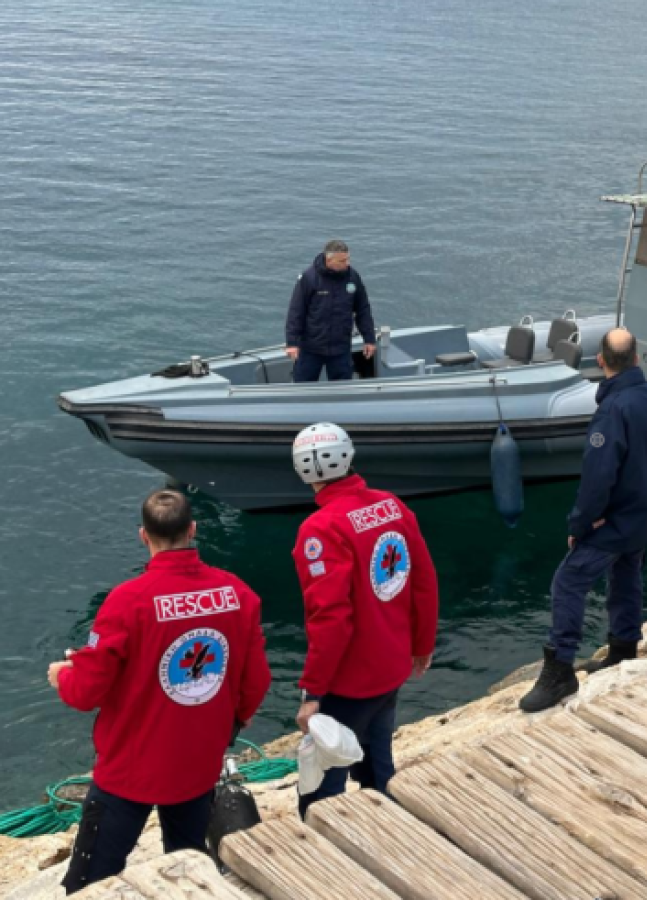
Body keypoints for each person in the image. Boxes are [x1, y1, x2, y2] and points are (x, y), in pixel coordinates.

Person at [49, 491, 271, 895]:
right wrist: (234, 721)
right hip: (197, 766)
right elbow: (256, 680)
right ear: (193, 530)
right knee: (188, 870)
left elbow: (84, 693)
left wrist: (63, 676)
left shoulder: (126, 602)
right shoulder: (237, 594)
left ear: (143, 536)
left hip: (129, 770)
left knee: (89, 881)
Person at [519, 328, 647, 713]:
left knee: (568, 581)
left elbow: (598, 477)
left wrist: (581, 525)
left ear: (601, 360)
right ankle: (623, 649)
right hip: (642, 515)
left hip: (614, 522)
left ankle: (559, 670)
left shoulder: (612, 410)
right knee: (626, 575)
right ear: (637, 357)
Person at [290, 422, 439, 818]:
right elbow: (423, 581)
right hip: (392, 664)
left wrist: (312, 692)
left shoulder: (319, 529)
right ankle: (389, 820)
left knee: (322, 787)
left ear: (301, 470)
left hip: (349, 680)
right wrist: (422, 644)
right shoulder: (391, 506)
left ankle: (325, 846)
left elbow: (331, 618)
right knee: (377, 760)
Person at [285, 239, 377, 383]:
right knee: (303, 386)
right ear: (329, 260)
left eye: (348, 259)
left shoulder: (353, 277)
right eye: (342, 261)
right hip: (311, 348)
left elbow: (363, 309)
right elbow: (296, 311)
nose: (347, 263)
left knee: (343, 388)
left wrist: (369, 339)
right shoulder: (309, 278)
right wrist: (292, 343)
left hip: (340, 347)